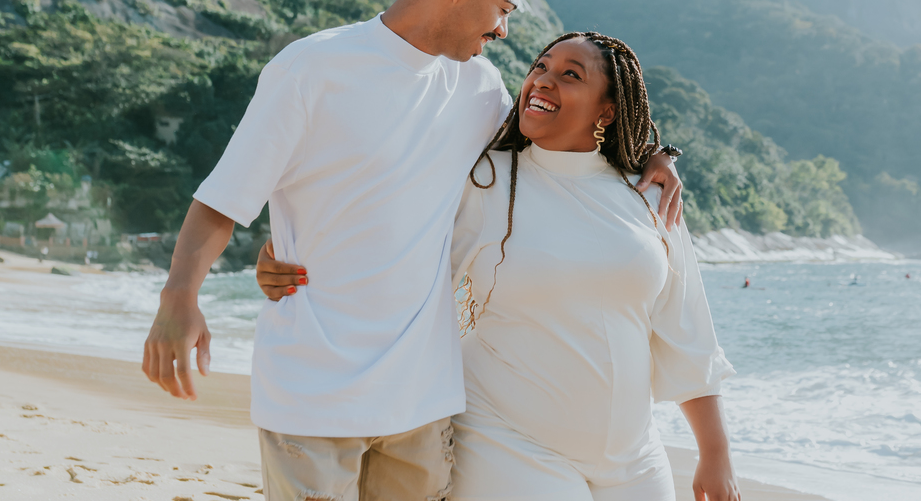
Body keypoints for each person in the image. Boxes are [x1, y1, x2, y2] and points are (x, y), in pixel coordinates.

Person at [142, 0, 684, 501]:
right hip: (313, 392)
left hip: (423, 402)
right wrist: (179, 298)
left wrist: (653, 155)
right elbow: (224, 199)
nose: (503, 29)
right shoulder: (313, 68)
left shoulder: (479, 89)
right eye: (504, 8)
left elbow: (556, 152)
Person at [259, 32, 739, 501]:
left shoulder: (652, 195)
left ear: (607, 110)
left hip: (634, 456)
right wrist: (294, 257)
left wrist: (715, 453)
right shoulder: (485, 179)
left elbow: (687, 331)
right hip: (507, 440)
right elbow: (391, 245)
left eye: (570, 75)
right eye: (540, 67)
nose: (543, 80)